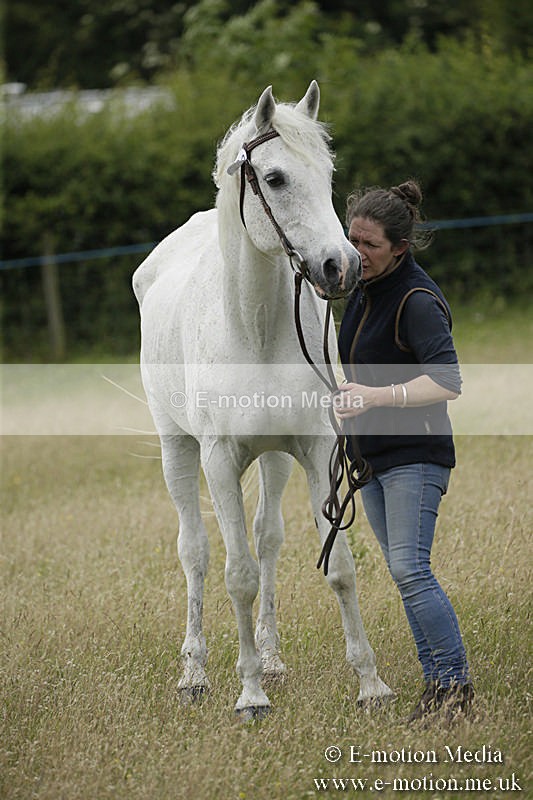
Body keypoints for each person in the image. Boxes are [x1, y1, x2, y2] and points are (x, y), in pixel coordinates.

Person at [335, 180, 473, 722]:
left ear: (400, 246)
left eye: (369, 244)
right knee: (404, 574)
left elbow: (448, 379)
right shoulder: (363, 292)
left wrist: (376, 395)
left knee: (412, 570)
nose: (357, 252)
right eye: (353, 239)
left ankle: (455, 688)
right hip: (370, 459)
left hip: (415, 455)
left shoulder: (416, 299)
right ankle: (437, 687)